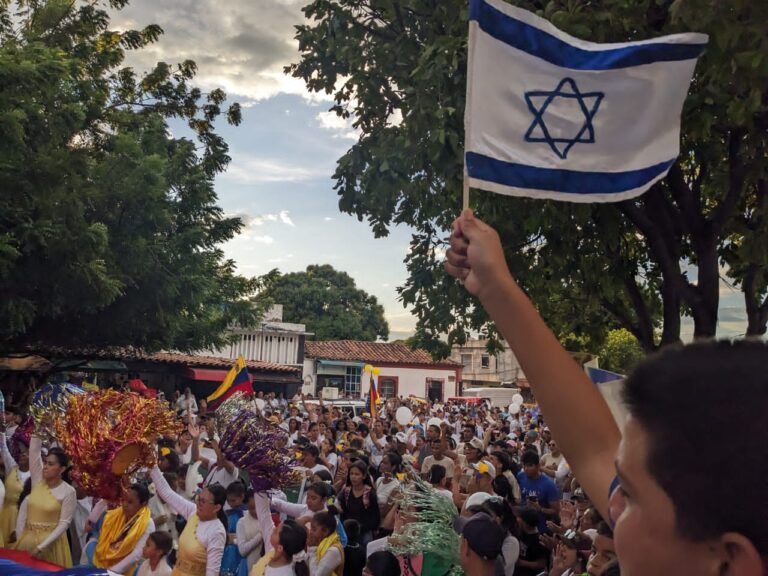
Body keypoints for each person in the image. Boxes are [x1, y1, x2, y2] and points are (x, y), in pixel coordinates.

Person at [447, 209, 768, 575]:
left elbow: (595, 452)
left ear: (729, 561)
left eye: (629, 495)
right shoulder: (681, 538)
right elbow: (594, 449)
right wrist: (494, 286)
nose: (609, 505)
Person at [149, 463, 227, 576]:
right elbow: (168, 494)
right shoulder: (193, 511)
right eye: (199, 499)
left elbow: (212, 572)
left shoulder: (217, 531)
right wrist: (152, 465)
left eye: (203, 501)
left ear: (217, 508)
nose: (199, 503)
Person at [13, 437, 76, 567]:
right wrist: (38, 429)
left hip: (51, 546)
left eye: (51, 464)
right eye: (45, 462)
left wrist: (41, 547)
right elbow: (34, 451)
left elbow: (64, 524)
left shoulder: (68, 491)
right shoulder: (38, 481)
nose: (45, 467)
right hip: (26, 543)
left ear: (62, 469)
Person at [92, 483, 155, 575]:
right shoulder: (116, 515)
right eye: (123, 500)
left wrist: (111, 572)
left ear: (143, 504)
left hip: (127, 570)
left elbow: (136, 554)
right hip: (104, 563)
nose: (124, 504)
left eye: (130, 502)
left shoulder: (148, 523)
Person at [250, 492, 310, 576]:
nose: (273, 529)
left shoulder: (283, 572)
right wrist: (260, 490)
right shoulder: (274, 551)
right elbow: (264, 516)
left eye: (275, 532)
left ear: (280, 548)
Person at [336, 460, 380, 546]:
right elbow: (340, 509)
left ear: (364, 476)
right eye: (351, 474)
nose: (353, 477)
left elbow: (375, 517)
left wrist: (361, 528)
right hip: (347, 531)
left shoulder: (370, 494)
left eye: (357, 474)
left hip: (364, 532)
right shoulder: (346, 491)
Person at [0, 425, 30, 544]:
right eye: (21, 453)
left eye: (26, 453)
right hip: (4, 512)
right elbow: (4, 450)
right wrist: (2, 433)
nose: (22, 455)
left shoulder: (33, 475)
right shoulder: (12, 467)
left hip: (20, 516)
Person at [516, 451, 560, 532]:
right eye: (524, 465)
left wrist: (540, 509)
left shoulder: (549, 485)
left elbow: (556, 511)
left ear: (538, 466)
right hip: (524, 527)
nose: (526, 469)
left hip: (542, 529)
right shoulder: (520, 476)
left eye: (530, 465)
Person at [307, 507, 344, 576]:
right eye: (311, 528)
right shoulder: (320, 542)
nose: (310, 532)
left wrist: (313, 548)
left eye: (314, 529)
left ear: (325, 531)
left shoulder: (333, 550)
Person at [221, 482, 248, 576]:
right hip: (227, 550)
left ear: (242, 497)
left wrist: (234, 538)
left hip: (239, 550)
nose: (230, 503)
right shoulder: (227, 513)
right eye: (228, 501)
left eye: (233, 500)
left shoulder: (246, 513)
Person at [236, 489, 264, 576]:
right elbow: (242, 551)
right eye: (252, 508)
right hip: (250, 569)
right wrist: (260, 536)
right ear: (246, 506)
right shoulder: (242, 522)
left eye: (258, 507)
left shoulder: (268, 520)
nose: (255, 511)